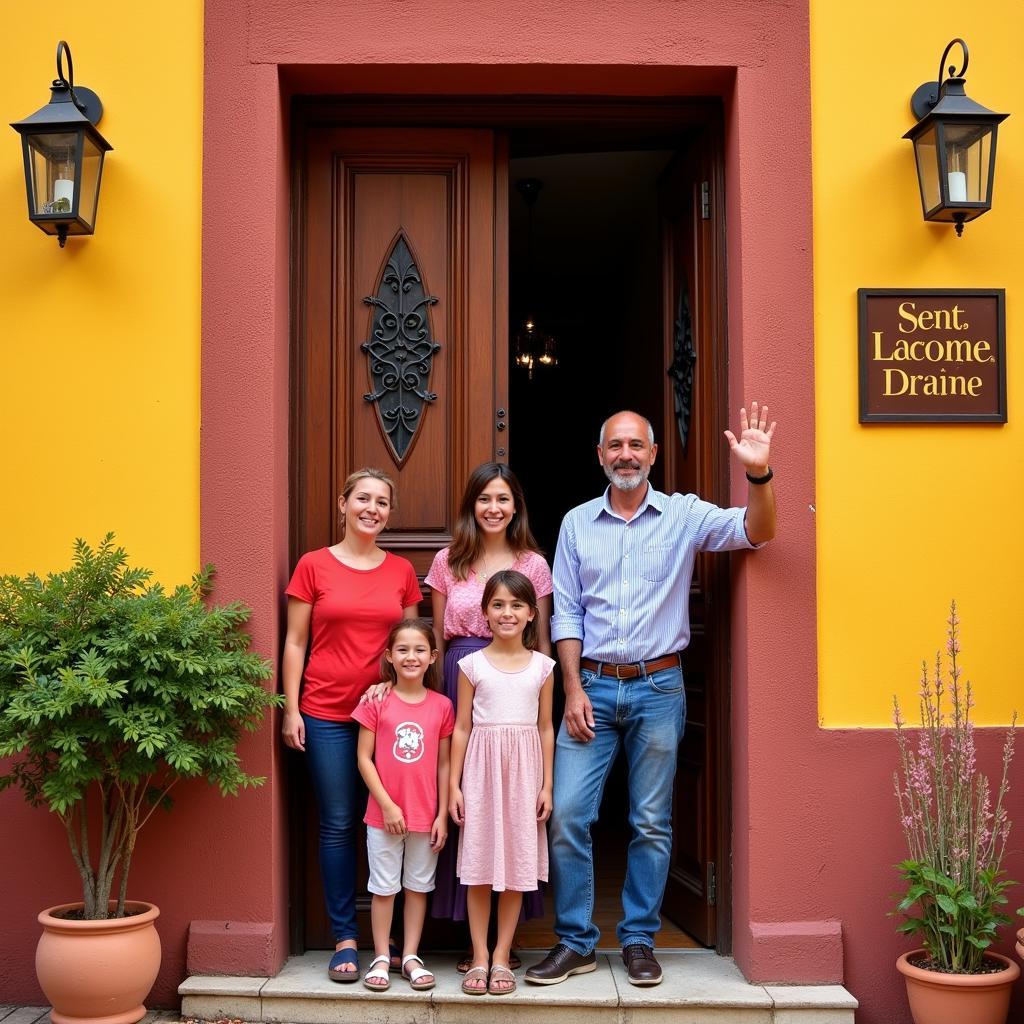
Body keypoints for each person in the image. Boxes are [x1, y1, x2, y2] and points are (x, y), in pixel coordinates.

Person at [526, 405, 777, 988]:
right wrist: (569, 688)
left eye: (636, 445)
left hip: (660, 686)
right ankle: (575, 941)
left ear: (654, 454)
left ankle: (639, 938)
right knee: (567, 814)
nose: (626, 455)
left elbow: (759, 531)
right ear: (599, 456)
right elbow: (566, 611)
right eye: (615, 445)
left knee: (650, 821)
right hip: (588, 683)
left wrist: (759, 475)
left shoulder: (684, 515)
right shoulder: (575, 523)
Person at [281, 468, 423, 983]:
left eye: (382, 502)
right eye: (362, 498)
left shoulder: (403, 572)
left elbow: (411, 644)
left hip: (390, 720)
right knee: (339, 822)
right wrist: (290, 707)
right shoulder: (313, 566)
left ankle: (399, 948)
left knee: (400, 824)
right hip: (325, 713)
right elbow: (295, 641)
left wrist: (393, 684)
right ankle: (345, 936)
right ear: (342, 504)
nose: (372, 508)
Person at [425, 462, 551, 967]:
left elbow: (540, 638)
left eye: (502, 498)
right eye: (484, 499)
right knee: (465, 805)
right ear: (471, 506)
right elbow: (436, 637)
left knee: (512, 812)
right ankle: (468, 943)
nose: (493, 508)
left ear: (515, 504)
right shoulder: (448, 561)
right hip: (461, 673)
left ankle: (506, 942)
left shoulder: (533, 564)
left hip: (518, 683)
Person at [449, 570, 556, 996]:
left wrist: (547, 785)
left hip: (525, 776)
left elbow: (546, 727)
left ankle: (501, 955)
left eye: (516, 605)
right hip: (480, 773)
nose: (507, 612)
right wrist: (454, 786)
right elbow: (460, 728)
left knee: (516, 868)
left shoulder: (543, 667)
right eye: (498, 604)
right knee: (478, 867)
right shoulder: (470, 664)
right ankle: (478, 955)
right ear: (485, 613)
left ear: (532, 613)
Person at [353, 619, 454, 992]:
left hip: (426, 817)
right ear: (389, 657)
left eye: (419, 650)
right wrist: (388, 805)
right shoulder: (376, 700)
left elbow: (444, 763)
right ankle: (381, 955)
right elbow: (364, 758)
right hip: (383, 816)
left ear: (432, 657)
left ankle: (410, 954)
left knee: (417, 887)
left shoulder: (442, 706)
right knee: (384, 888)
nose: (411, 656)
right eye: (403, 650)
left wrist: (441, 814)